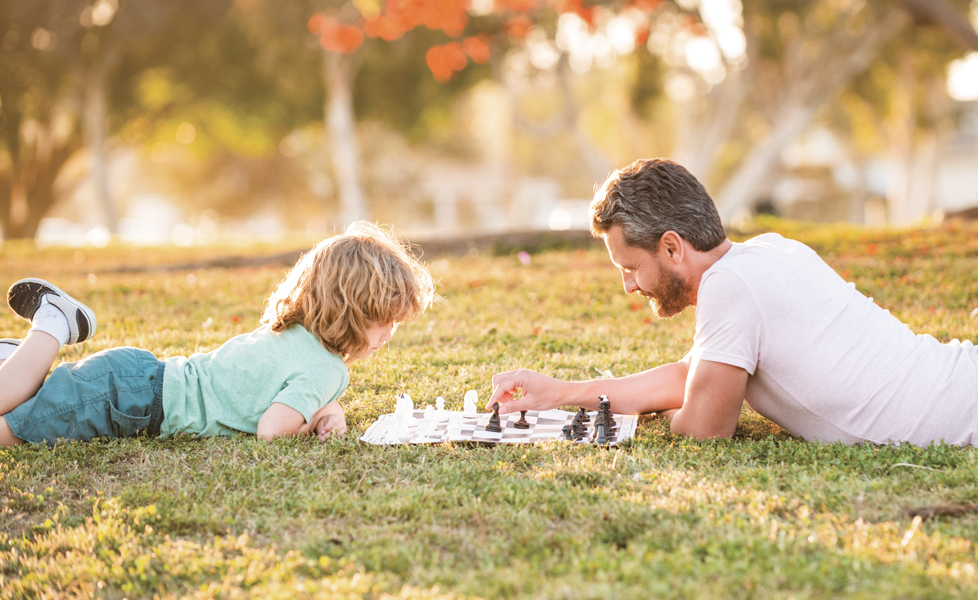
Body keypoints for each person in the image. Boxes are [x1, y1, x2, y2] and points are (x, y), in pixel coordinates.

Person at [487, 158, 978, 446]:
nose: (629, 287)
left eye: (631, 268)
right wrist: (559, 392)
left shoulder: (730, 288)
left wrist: (672, 417)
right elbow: (691, 376)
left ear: (673, 247)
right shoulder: (767, 250)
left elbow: (705, 428)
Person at [0, 221, 434, 448]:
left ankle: (18, 360)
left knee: (22, 399)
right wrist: (309, 421)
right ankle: (52, 324)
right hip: (129, 403)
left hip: (134, 378)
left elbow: (293, 385)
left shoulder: (296, 334)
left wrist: (327, 409)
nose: (390, 335)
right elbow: (272, 429)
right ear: (353, 313)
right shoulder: (328, 371)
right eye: (385, 321)